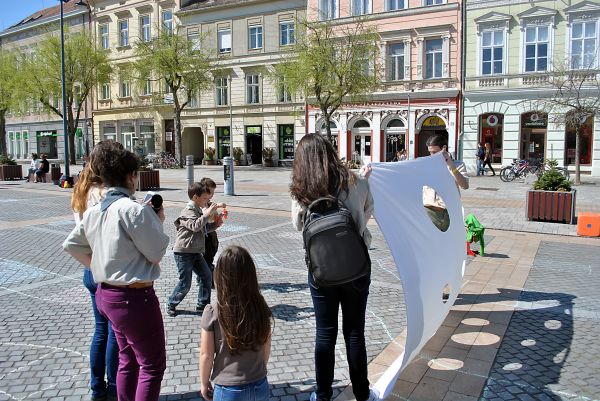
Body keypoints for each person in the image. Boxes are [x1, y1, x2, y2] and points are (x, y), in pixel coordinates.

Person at [63, 141, 170, 401]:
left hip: (106, 294)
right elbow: (156, 253)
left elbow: (72, 245)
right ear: (132, 176)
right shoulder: (132, 210)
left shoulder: (96, 209)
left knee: (127, 359)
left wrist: (100, 265)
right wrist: (157, 220)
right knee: (152, 365)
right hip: (135, 299)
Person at [290, 134, 377, 401]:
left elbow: (297, 225)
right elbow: (368, 210)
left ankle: (323, 395)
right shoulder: (356, 180)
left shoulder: (302, 190)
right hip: (357, 267)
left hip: (321, 270)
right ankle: (363, 394)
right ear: (330, 152)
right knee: (355, 332)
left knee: (325, 333)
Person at [71, 145, 118, 401]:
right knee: (112, 332)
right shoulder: (103, 193)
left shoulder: (81, 190)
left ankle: (97, 387)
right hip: (105, 267)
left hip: (89, 266)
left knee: (101, 330)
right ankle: (113, 387)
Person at [199, 245, 272, 401]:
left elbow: (206, 354)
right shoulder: (260, 307)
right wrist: (259, 369)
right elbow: (266, 346)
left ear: (220, 276)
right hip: (259, 383)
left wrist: (204, 383)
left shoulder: (212, 311)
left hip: (227, 389)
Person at [166, 180, 224, 317]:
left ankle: (203, 304)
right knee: (185, 284)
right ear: (195, 198)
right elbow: (195, 226)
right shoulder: (187, 211)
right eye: (204, 198)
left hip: (196, 252)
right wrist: (206, 214)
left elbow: (203, 229)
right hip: (183, 253)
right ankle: (171, 303)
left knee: (206, 276)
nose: (207, 201)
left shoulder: (198, 210)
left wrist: (216, 224)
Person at [423, 135, 469, 231]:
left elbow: (465, 185)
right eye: (430, 152)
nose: (432, 155)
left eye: (435, 152)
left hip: (447, 212)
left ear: (444, 148)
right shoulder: (426, 165)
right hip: (428, 210)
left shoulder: (458, 165)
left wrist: (451, 166)